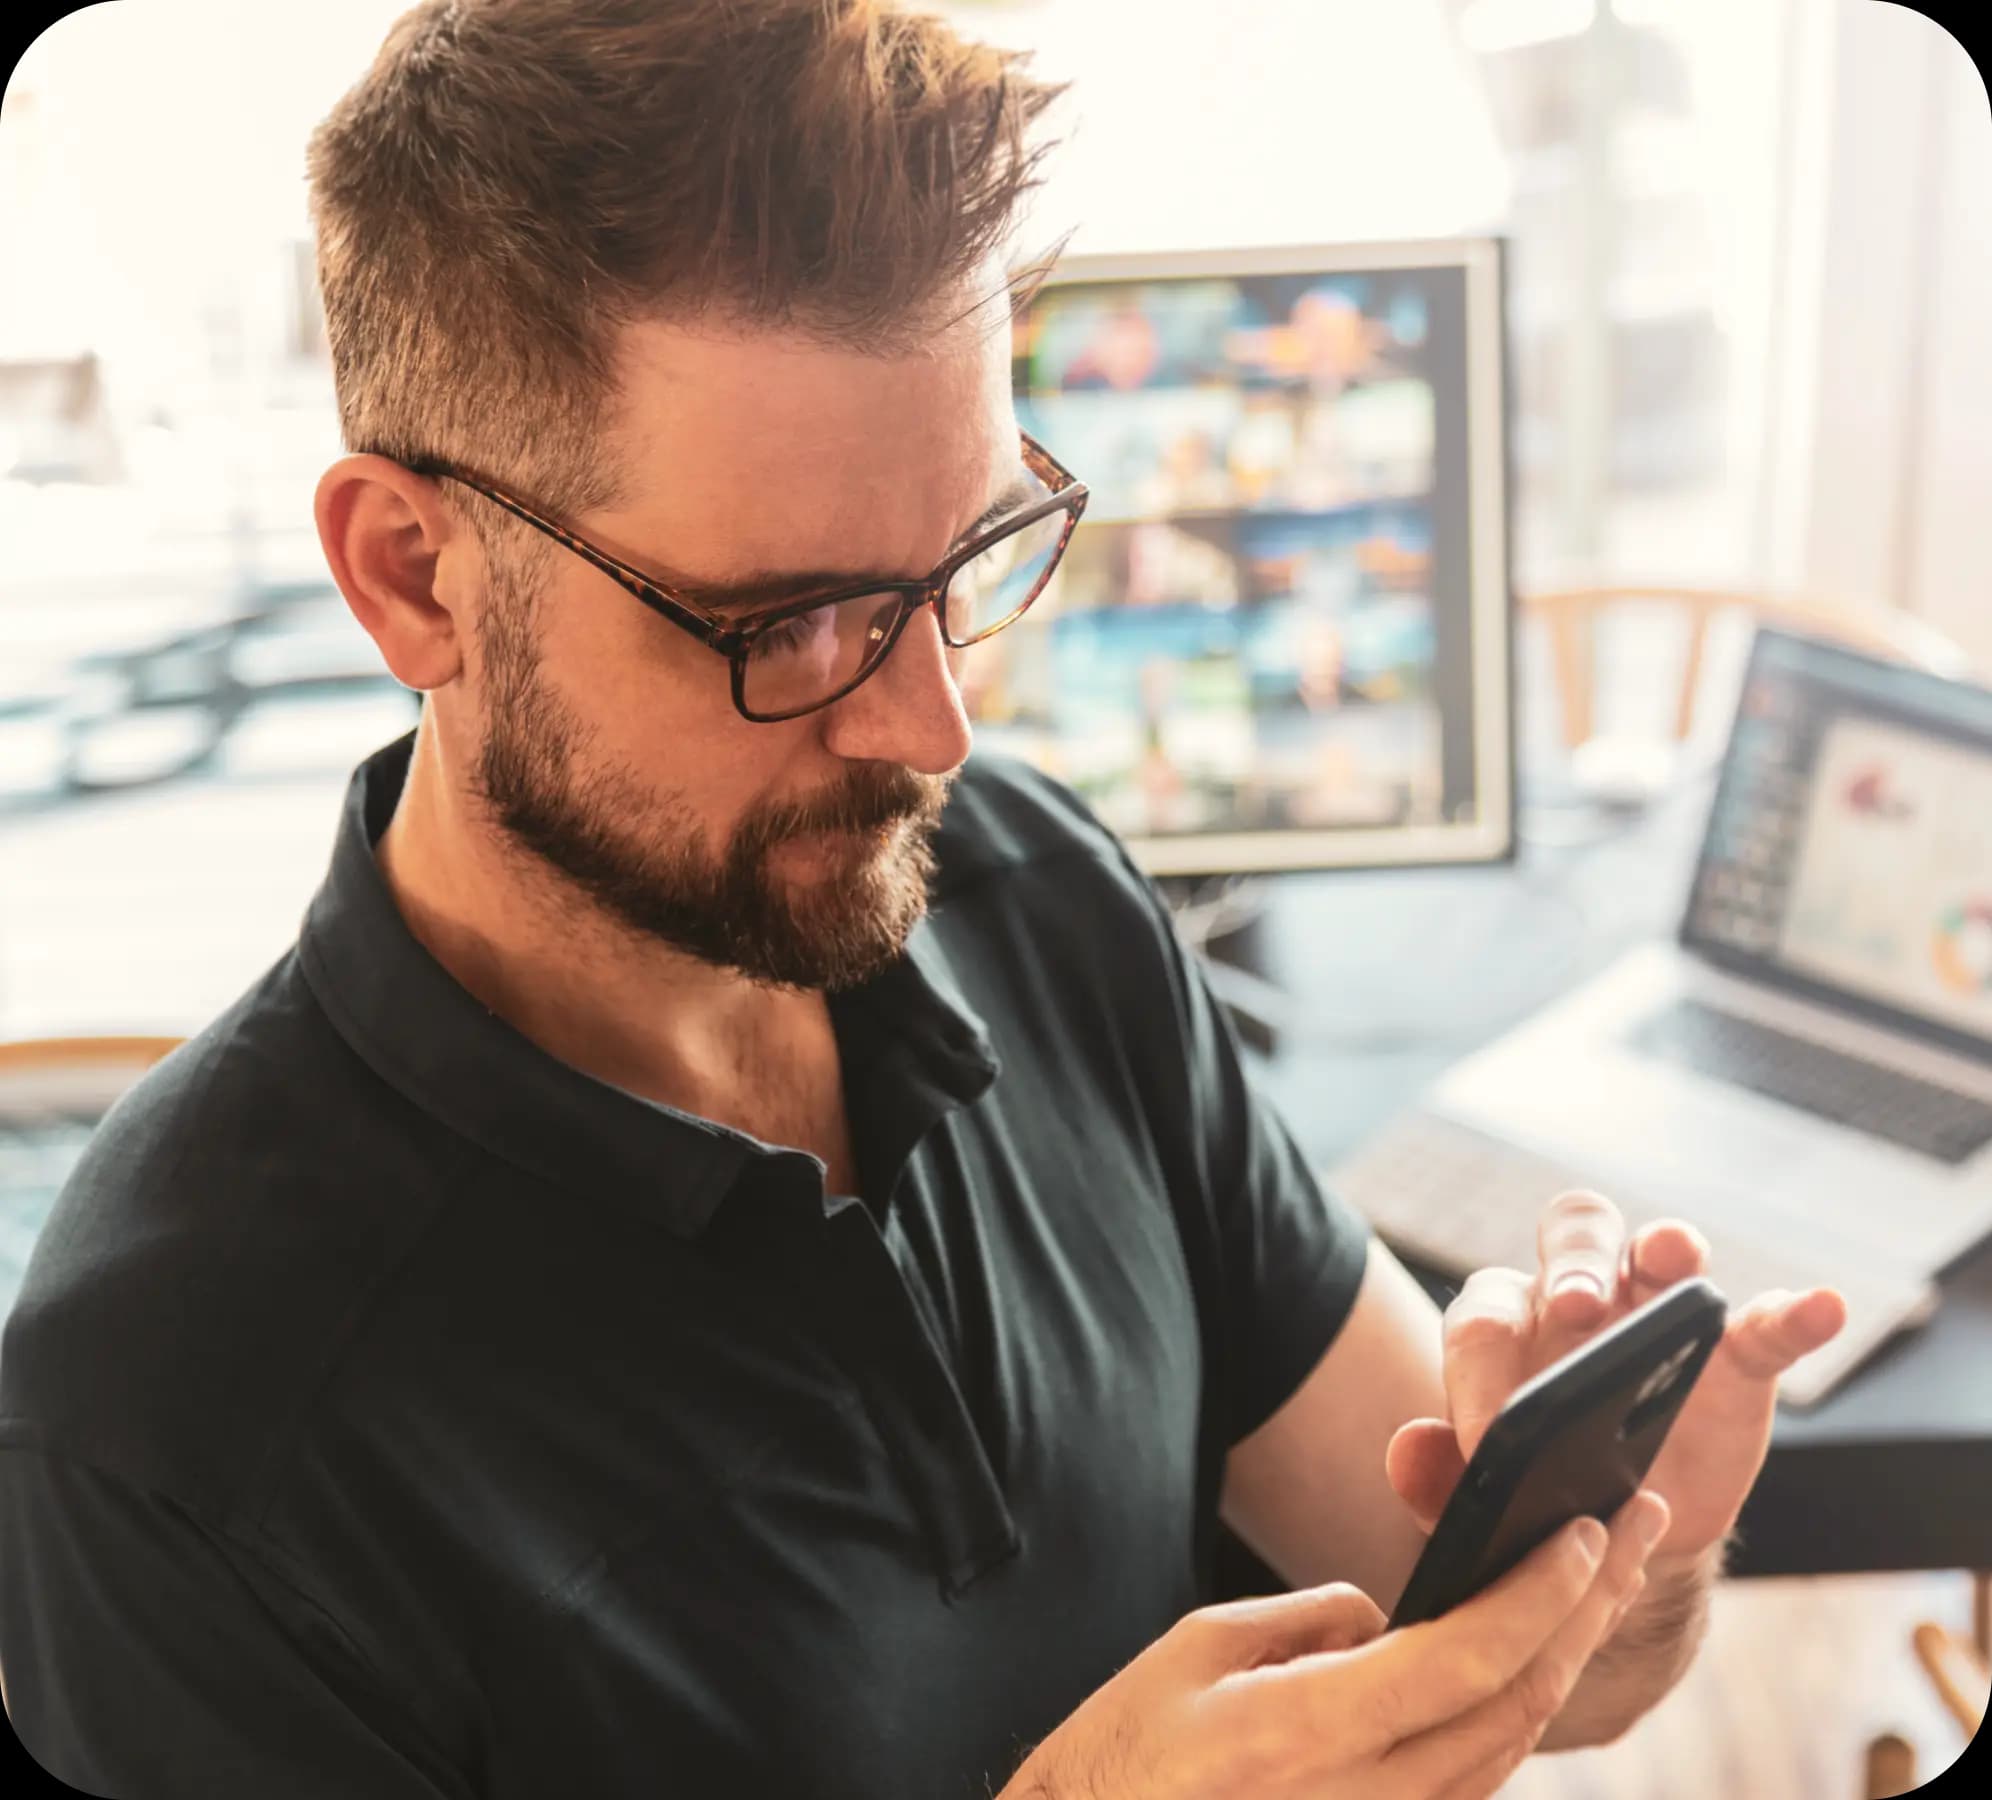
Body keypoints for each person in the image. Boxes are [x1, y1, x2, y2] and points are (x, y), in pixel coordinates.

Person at [0, 4, 1849, 1796]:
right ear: (413, 577)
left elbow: (1545, 1672)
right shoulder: (163, 1425)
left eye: (970, 554)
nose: (936, 727)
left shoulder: (1040, 897)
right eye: (789, 623)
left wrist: (1632, 1542)